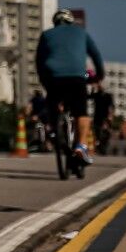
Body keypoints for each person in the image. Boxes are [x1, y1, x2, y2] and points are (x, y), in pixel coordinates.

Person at [35, 9, 105, 165]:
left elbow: (39, 61)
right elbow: (96, 56)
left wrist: (44, 81)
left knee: (52, 105)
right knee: (81, 113)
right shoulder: (81, 33)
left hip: (53, 77)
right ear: (71, 21)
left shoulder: (47, 35)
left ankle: (54, 131)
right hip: (76, 77)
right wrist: (99, 76)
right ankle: (81, 146)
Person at [90, 81, 115, 154]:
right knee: (97, 133)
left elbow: (111, 106)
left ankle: (103, 147)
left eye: (101, 86)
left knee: (106, 133)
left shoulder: (108, 96)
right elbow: (89, 97)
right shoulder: (96, 95)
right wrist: (92, 88)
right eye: (99, 86)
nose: (100, 87)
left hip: (105, 118)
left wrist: (110, 116)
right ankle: (99, 147)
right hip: (97, 117)